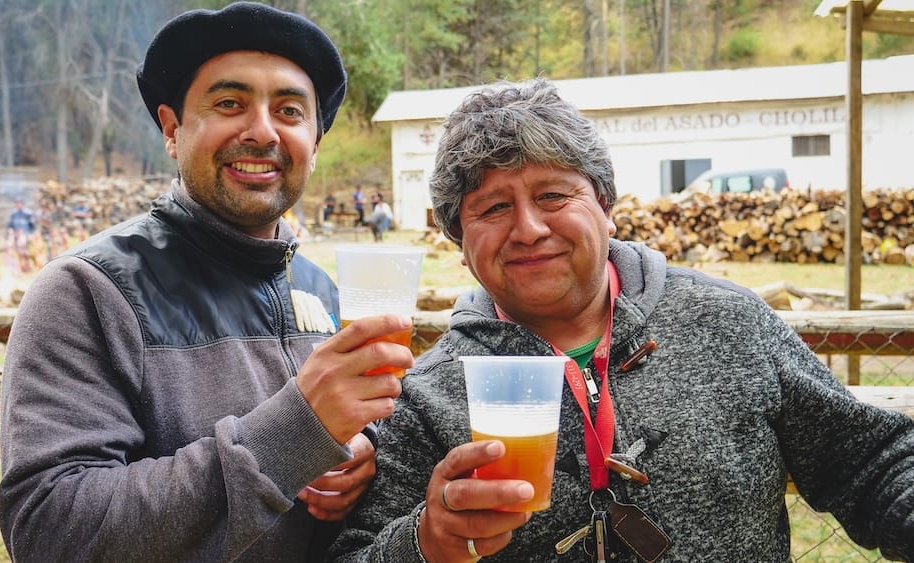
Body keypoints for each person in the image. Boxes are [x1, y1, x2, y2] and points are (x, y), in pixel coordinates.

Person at [329, 79, 914, 562]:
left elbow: (873, 464)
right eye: (494, 207)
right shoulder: (427, 393)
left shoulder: (728, 323)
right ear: (460, 242)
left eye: (554, 195)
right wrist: (424, 543)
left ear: (606, 208)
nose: (529, 228)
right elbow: (353, 554)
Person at [0, 3, 412, 562]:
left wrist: (359, 457)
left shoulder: (319, 290)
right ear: (173, 129)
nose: (262, 130)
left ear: (313, 143)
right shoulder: (86, 293)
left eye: (290, 111)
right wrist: (293, 433)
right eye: (229, 103)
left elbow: (334, 453)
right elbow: (51, 529)